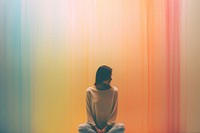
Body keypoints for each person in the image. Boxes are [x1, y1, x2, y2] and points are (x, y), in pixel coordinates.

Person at [78, 65, 125, 133]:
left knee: (121, 127)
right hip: (94, 128)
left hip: (109, 128)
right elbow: (89, 114)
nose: (111, 79)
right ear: (102, 76)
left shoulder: (114, 91)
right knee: (82, 128)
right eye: (109, 76)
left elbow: (113, 114)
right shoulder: (89, 91)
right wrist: (96, 129)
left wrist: (105, 129)